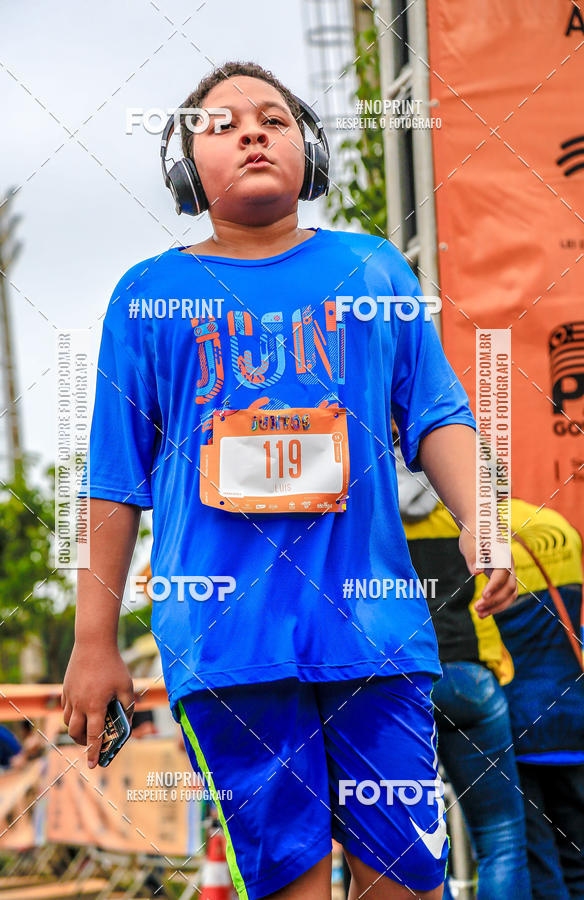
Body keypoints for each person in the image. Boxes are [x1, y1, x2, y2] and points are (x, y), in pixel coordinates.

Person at [62, 61, 518, 900]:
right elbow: (114, 479)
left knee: (408, 879)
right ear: (183, 170)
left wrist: (479, 514)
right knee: (288, 884)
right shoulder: (148, 296)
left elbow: (439, 415)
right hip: (228, 646)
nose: (251, 132)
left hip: (374, 634)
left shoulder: (375, 271)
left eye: (273, 119)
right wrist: (95, 641)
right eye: (222, 124)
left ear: (308, 153)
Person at [395, 440, 531, 900]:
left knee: (410, 840)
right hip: (472, 677)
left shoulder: (368, 500)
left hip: (399, 681)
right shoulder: (468, 499)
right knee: (501, 837)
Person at [493, 500, 584, 900]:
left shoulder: (479, 533)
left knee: (538, 862)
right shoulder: (556, 523)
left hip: (517, 724)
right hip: (574, 717)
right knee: (579, 857)